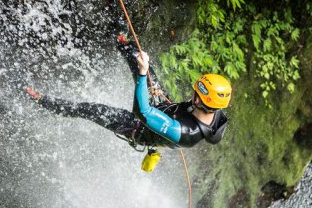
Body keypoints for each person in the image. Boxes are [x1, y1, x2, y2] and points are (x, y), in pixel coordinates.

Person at [26, 35, 232, 171]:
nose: (192, 94)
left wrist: (143, 74)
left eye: (196, 93)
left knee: (90, 110)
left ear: (202, 101)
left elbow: (143, 112)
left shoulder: (184, 132)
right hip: (165, 107)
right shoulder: (211, 110)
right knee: (136, 56)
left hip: (139, 127)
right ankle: (120, 38)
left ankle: (42, 100)